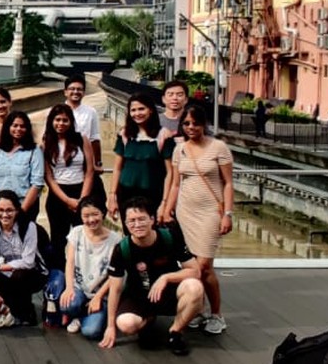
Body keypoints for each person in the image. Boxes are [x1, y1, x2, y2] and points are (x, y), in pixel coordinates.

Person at [162, 105, 235, 335]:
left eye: (195, 123)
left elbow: (228, 183)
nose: (191, 127)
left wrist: (228, 214)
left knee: (203, 266)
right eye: (186, 124)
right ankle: (198, 309)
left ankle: (217, 314)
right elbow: (175, 184)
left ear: (204, 124)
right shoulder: (179, 150)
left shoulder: (218, 147)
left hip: (209, 213)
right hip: (185, 212)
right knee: (190, 266)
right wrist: (167, 209)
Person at [99, 197, 203, 356]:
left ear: (152, 219)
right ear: (126, 224)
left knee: (195, 288)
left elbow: (195, 271)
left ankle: (175, 332)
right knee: (126, 324)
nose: (137, 225)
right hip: (139, 296)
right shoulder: (122, 249)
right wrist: (110, 326)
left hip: (170, 293)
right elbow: (115, 288)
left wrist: (166, 278)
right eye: (132, 221)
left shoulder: (169, 237)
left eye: (142, 219)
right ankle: (148, 319)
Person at [0, 190, 46, 328]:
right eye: (0, 210)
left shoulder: (29, 227)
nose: (5, 215)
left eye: (9, 210)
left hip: (33, 272)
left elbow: (28, 262)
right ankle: (6, 305)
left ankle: (26, 313)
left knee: (19, 276)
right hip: (8, 271)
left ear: (17, 210)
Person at [59, 197, 121, 340]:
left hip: (100, 293)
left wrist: (98, 297)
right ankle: (80, 314)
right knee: (67, 306)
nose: (91, 220)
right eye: (86, 216)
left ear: (103, 213)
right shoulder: (77, 232)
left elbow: (115, 276)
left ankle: (87, 316)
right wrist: (69, 288)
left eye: (95, 214)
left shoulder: (116, 240)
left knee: (91, 331)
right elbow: (70, 262)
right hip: (79, 288)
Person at [108, 93, 175, 225]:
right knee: (131, 229)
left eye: (141, 109)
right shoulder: (125, 134)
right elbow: (117, 168)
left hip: (153, 194)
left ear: (150, 110)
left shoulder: (163, 135)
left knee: (151, 231)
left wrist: (165, 203)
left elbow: (170, 173)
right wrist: (112, 196)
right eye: (133, 110)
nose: (137, 113)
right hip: (126, 193)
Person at [42, 103, 95, 256]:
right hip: (58, 195)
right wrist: (67, 200)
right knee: (58, 241)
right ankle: (60, 269)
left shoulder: (81, 139)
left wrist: (82, 200)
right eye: (57, 120)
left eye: (65, 120)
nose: (61, 123)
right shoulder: (46, 143)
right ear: (51, 121)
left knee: (84, 239)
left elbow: (89, 171)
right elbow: (49, 177)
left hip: (81, 191)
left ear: (71, 122)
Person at [0, 110, 44, 221]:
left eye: (22, 126)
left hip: (24, 206)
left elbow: (37, 183)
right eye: (15, 125)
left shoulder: (34, 151)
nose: (18, 129)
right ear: (8, 127)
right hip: (1, 208)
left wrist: (21, 211)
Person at [63, 75, 107, 202]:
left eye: (79, 89)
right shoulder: (57, 111)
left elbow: (95, 138)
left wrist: (97, 163)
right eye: (72, 89)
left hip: (84, 160)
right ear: (65, 92)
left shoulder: (90, 112)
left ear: (84, 92)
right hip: (63, 161)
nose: (75, 92)